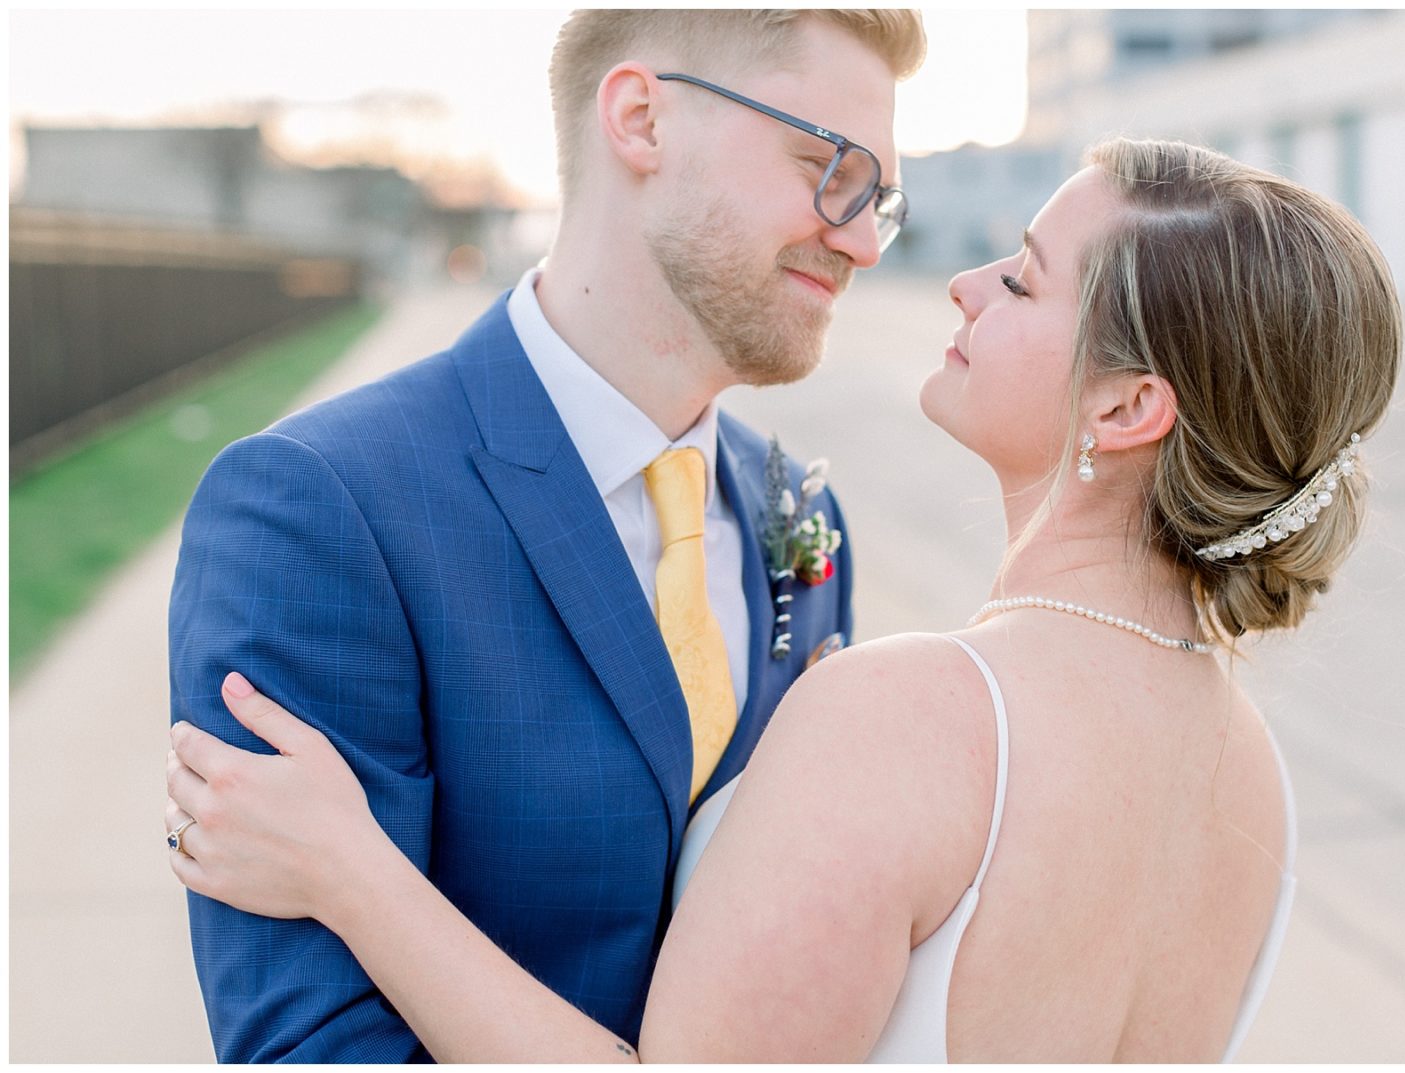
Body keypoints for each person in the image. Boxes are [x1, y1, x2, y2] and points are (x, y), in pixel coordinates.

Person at [166, 138, 1402, 1061]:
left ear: (1126, 409)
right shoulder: (1251, 776)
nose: (964, 283)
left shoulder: (917, 713)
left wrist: (352, 871)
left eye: (1024, 281)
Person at [165, 9, 927, 1062]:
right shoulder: (321, 504)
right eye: (826, 166)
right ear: (642, 118)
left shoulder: (801, 514)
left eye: (876, 196)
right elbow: (315, 1044)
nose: (860, 240)